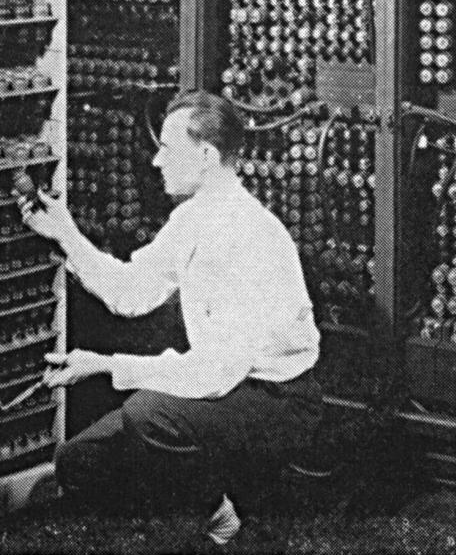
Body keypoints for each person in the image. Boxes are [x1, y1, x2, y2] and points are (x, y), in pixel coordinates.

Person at [20, 89, 322, 546]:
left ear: (206, 156)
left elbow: (214, 374)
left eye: (166, 148)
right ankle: (181, 516)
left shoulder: (249, 236)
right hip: (225, 383)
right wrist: (66, 233)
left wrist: (104, 364)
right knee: (78, 461)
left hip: (276, 400)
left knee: (149, 415)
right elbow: (131, 292)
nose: (156, 161)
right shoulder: (194, 217)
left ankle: (219, 519)